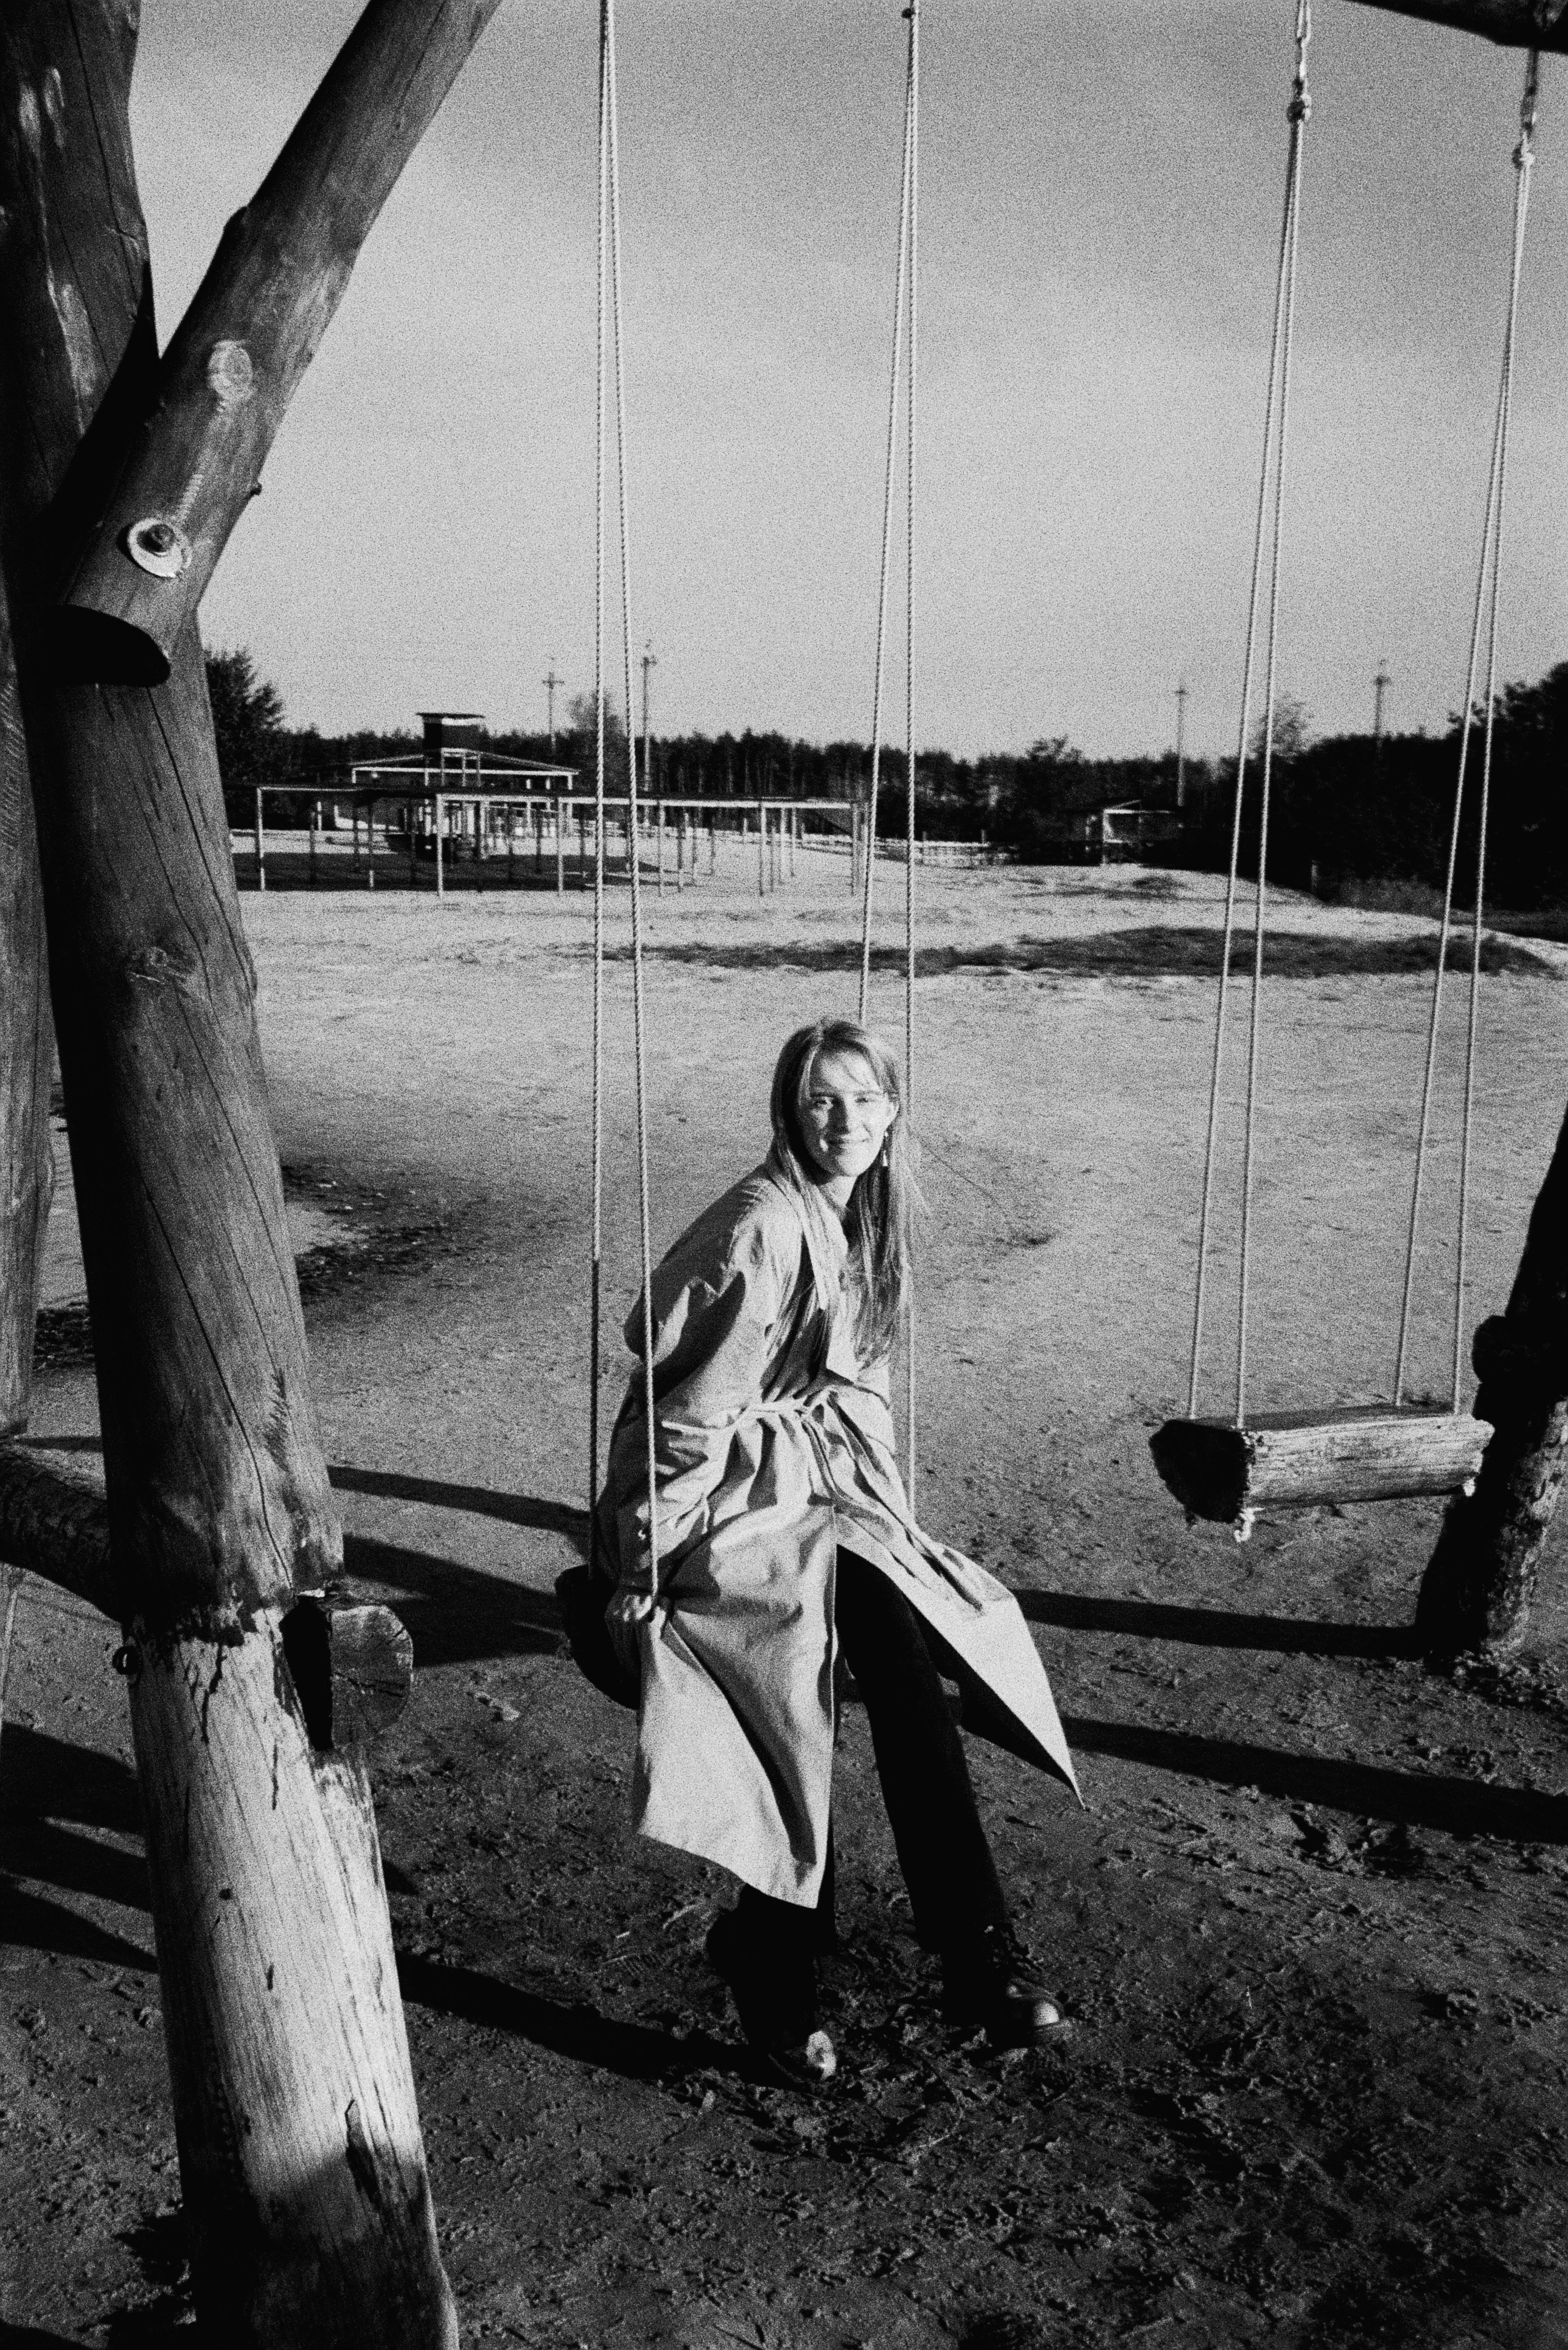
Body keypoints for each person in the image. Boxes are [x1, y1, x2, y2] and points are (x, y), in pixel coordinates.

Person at [592, 1016, 1078, 2085]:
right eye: (822, 1099)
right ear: (788, 1110)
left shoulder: (870, 1210)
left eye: (865, 1098)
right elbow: (686, 1413)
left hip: (824, 1487)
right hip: (728, 1496)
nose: (845, 1120)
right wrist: (640, 1564)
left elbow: (863, 1385)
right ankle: (783, 1959)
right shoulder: (761, 1227)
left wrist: (887, 1515)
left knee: (904, 1663)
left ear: (895, 1110)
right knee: (790, 1683)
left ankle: (970, 1948)